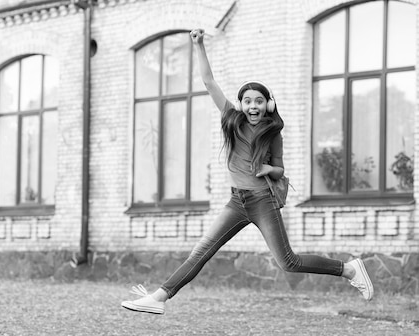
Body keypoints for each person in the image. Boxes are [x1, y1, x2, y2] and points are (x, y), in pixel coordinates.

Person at [121, 29, 373, 315]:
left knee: (288, 262)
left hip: (262, 201)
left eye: (259, 101)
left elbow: (279, 170)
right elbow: (208, 81)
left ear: (268, 105)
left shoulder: (273, 132)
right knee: (200, 252)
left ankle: (349, 269)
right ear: (241, 105)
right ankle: (159, 297)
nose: (253, 105)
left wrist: (267, 167)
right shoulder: (232, 119)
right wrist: (199, 44)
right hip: (236, 202)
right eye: (248, 101)